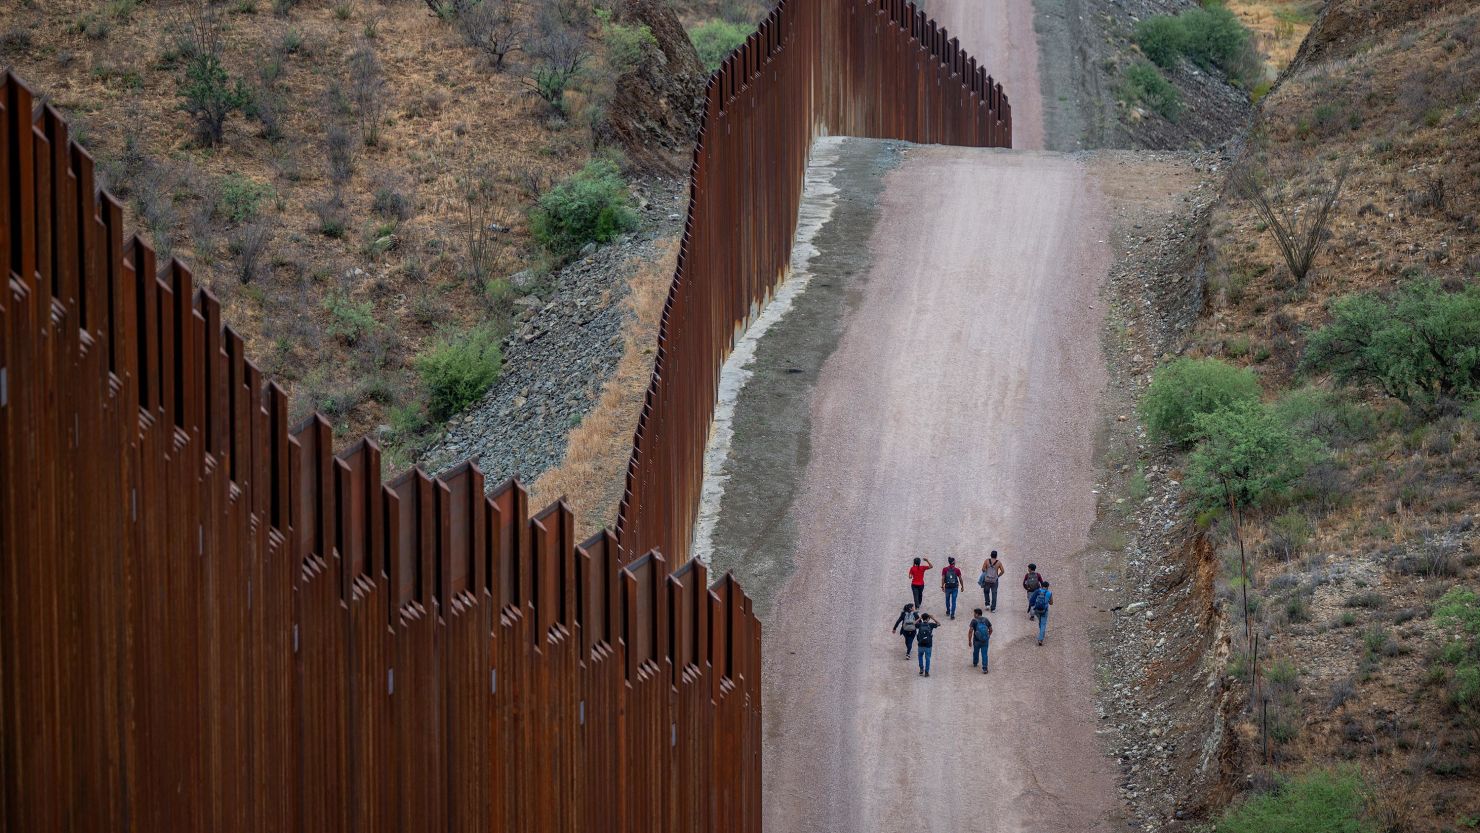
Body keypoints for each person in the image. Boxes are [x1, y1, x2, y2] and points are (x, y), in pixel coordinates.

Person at [967, 607, 993, 674]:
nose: (974, 614)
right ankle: (985, 668)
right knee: (984, 654)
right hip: (985, 641)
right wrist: (988, 636)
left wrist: (969, 641)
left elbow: (970, 631)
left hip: (976, 640)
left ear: (977, 614)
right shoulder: (986, 620)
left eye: (974, 613)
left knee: (976, 652)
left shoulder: (974, 621)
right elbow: (991, 629)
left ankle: (975, 662)